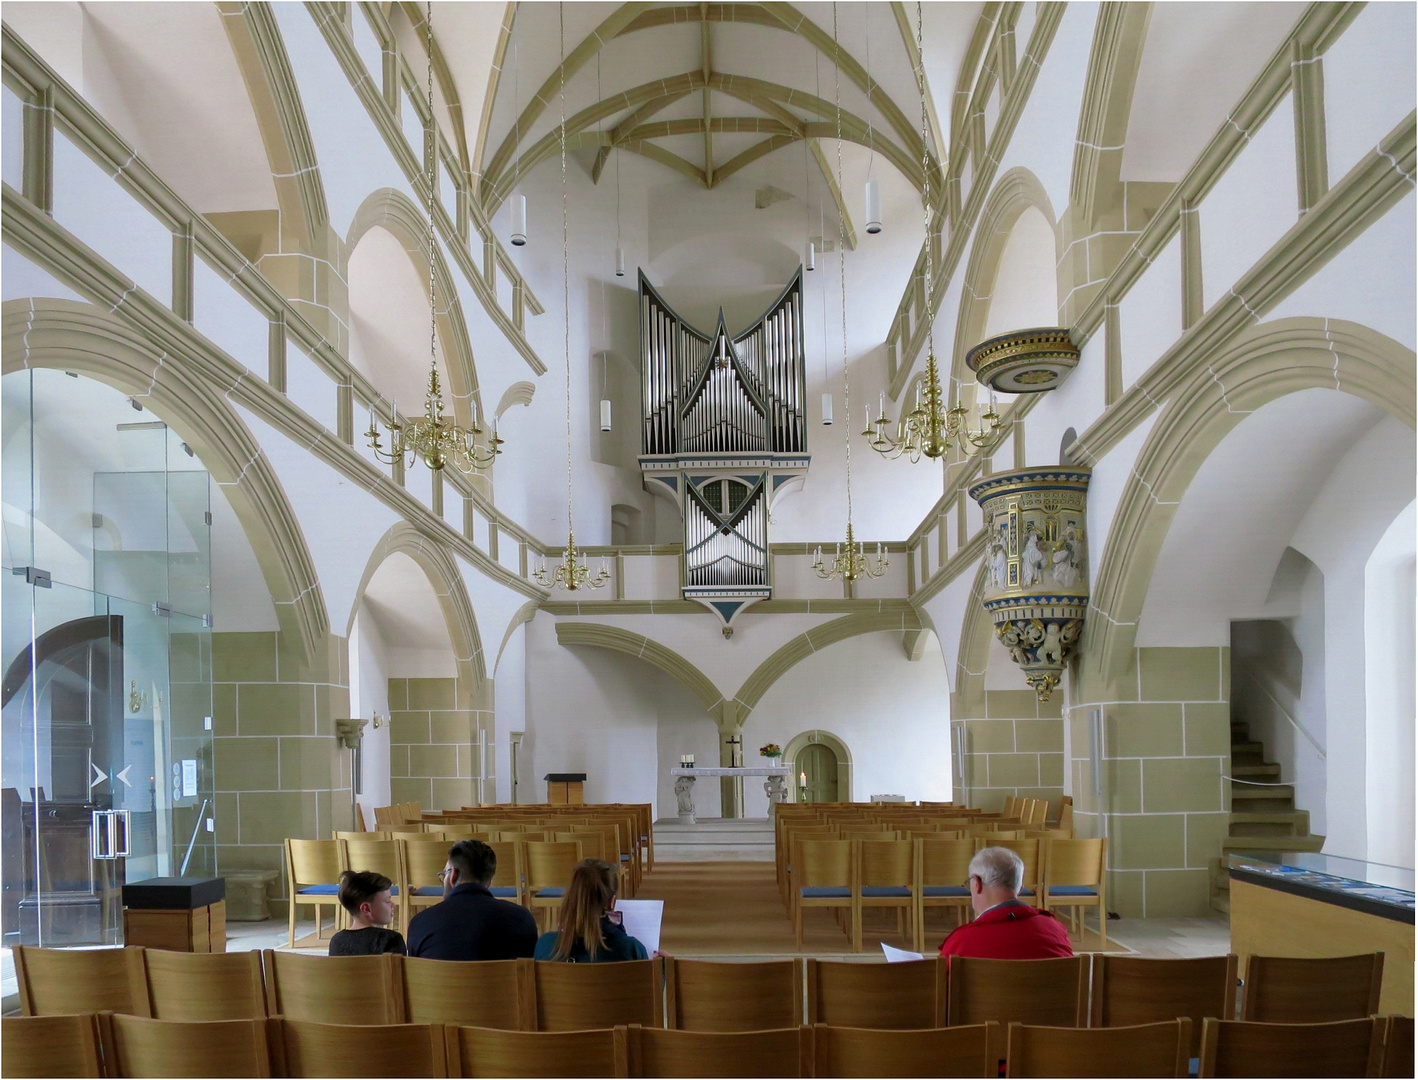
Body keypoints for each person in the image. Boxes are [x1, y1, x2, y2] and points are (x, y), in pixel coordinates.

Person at [406, 840, 539, 961]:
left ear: (453, 875)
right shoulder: (521, 919)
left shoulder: (420, 923)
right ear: (488, 882)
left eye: (444, 874)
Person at [938, 846, 1074, 960]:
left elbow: (943, 986)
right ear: (1020, 887)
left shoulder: (962, 941)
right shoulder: (1055, 930)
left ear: (977, 884)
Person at [534, 858, 649, 963]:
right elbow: (650, 985)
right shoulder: (631, 950)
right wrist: (662, 968)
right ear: (611, 902)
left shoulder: (544, 945)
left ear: (571, 896)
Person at [328, 870, 406, 956]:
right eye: (387, 900)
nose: (393, 905)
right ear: (366, 908)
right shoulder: (391, 939)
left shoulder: (336, 941)